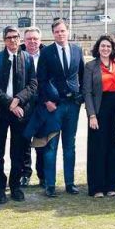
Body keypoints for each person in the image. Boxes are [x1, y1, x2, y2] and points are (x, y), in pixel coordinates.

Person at [0, 26, 38, 203]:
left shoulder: (28, 59)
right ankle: (0, 188)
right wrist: (10, 103)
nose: (13, 40)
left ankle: (15, 186)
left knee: (18, 151)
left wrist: (18, 99)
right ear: (4, 40)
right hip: (1, 111)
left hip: (20, 111)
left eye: (15, 37)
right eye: (9, 37)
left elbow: (32, 84)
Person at [36, 17, 85, 197]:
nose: (60, 34)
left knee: (69, 146)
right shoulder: (47, 53)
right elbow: (40, 80)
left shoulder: (77, 50)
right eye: (57, 32)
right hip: (53, 106)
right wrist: (46, 101)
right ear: (53, 34)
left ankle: (70, 183)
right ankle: (50, 185)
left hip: (73, 105)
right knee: (51, 146)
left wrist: (80, 98)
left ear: (68, 32)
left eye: (63, 31)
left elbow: (81, 75)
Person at [83, 35, 115, 197]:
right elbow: (87, 92)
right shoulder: (91, 66)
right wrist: (91, 115)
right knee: (97, 148)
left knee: (113, 147)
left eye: (108, 46)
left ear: (113, 48)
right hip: (99, 109)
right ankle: (97, 187)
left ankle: (111, 185)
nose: (105, 49)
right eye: (102, 46)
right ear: (98, 48)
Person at [20, 26, 46, 187]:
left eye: (35, 38)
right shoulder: (19, 55)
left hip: (43, 104)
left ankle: (42, 175)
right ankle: (25, 173)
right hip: (24, 104)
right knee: (24, 142)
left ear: (40, 40)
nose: (32, 42)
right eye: (29, 39)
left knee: (42, 142)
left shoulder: (47, 55)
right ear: (24, 41)